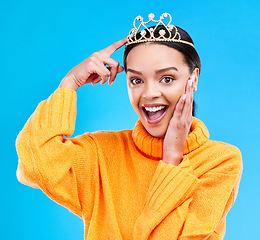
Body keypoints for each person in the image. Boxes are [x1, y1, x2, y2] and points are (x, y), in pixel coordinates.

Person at [16, 13, 242, 239]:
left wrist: (172, 157)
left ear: (193, 79)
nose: (149, 93)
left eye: (166, 79)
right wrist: (70, 83)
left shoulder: (221, 161)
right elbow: (35, 165)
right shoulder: (102, 153)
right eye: (137, 80)